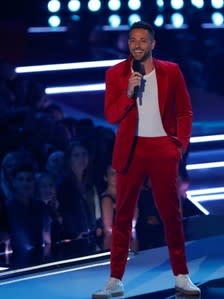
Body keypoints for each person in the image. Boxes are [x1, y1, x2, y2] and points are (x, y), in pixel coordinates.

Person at [92, 21, 200, 298]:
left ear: (153, 44)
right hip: (131, 150)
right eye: (132, 40)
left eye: (142, 40)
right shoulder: (116, 74)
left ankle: (181, 275)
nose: (136, 45)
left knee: (171, 215)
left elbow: (185, 112)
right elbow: (111, 116)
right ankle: (115, 279)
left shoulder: (171, 72)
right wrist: (129, 94)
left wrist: (179, 146)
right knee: (123, 214)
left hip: (162, 148)